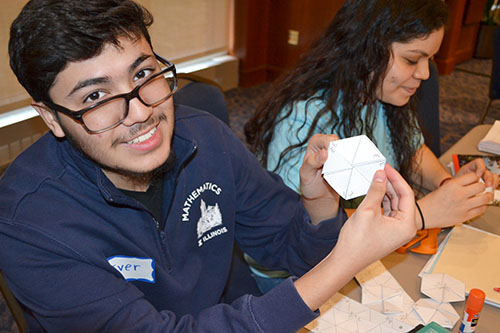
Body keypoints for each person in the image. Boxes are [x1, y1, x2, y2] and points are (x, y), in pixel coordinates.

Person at [0, 0, 420, 331]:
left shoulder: (205, 138)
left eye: (144, 73)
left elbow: (294, 253)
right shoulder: (27, 221)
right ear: (52, 117)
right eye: (95, 97)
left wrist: (318, 203)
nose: (142, 111)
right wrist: (344, 263)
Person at [245, 0, 499, 292]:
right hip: (296, 277)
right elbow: (311, 237)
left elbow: (413, 150)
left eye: (429, 59)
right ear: (366, 49)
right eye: (411, 60)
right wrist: (421, 214)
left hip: (361, 257)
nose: (425, 74)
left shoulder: (381, 95)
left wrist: (449, 185)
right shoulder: (306, 121)